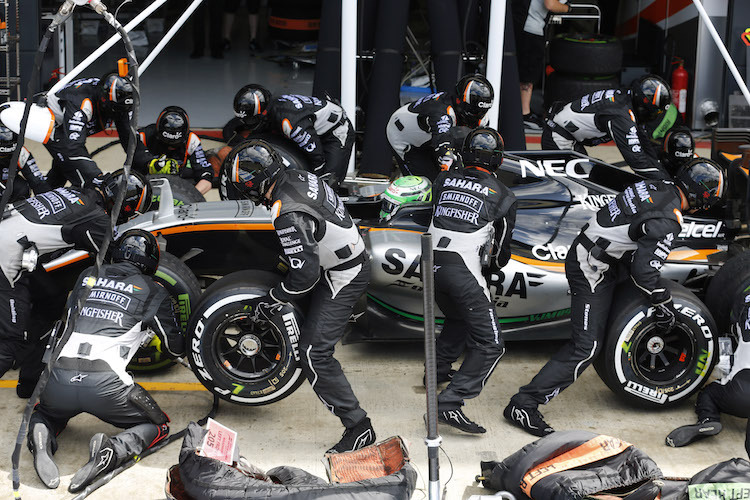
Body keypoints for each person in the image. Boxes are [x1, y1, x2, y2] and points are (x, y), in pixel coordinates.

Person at [504, 158, 725, 436]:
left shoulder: (655, 186)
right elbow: (645, 272)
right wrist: (662, 301)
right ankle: (523, 404)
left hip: (605, 258)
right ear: (702, 198)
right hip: (591, 268)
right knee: (585, 348)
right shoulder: (667, 219)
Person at [225, 139, 375, 453]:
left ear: (254, 185)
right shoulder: (296, 175)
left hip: (342, 274)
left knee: (313, 353)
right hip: (336, 257)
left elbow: (304, 277)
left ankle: (359, 427)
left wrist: (275, 298)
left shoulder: (285, 211)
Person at [27, 229, 184, 492]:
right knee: (158, 426)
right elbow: (174, 347)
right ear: (151, 260)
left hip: (58, 378)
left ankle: (41, 437)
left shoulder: (87, 276)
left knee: (45, 412)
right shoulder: (153, 291)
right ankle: (111, 449)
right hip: (105, 385)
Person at [0, 170, 151, 399]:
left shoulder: (76, 193)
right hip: (6, 258)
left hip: (15, 245)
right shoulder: (96, 218)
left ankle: (30, 382)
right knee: (11, 345)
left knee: (51, 300)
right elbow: (123, 262)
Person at [428, 128, 516, 433]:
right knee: (492, 344)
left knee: (457, 317)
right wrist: (492, 266)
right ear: (498, 160)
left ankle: (436, 371)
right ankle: (449, 404)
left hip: (430, 265)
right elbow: (501, 253)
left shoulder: (441, 181)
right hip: (462, 270)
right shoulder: (504, 196)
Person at [665, 284, 749, 457]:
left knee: (708, 393)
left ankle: (708, 418)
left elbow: (732, 326)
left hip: (742, 394)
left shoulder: (745, 297)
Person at [542, 74, 672, 179]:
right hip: (559, 139)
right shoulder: (620, 116)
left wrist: (661, 170)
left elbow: (643, 142)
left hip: (570, 138)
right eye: (656, 112)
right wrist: (665, 181)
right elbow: (637, 162)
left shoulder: (625, 96)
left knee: (598, 173)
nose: (655, 116)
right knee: (584, 185)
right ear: (644, 106)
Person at [225, 85, 355, 186]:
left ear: (263, 112)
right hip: (311, 126)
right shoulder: (272, 113)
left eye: (251, 120)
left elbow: (316, 156)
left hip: (336, 131)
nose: (248, 125)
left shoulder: (289, 122)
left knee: (327, 180)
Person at [386, 74, 494, 181]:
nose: (477, 115)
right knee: (428, 184)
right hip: (405, 137)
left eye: (481, 111)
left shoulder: (481, 117)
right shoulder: (441, 111)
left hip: (432, 135)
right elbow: (442, 143)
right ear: (459, 101)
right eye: (473, 110)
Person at [44, 72, 135, 188]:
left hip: (67, 123)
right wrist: (98, 179)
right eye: (115, 110)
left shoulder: (119, 100)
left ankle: (44, 194)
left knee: (61, 169)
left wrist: (147, 162)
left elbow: (128, 137)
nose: (118, 114)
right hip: (52, 123)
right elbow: (73, 147)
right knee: (84, 179)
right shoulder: (82, 103)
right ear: (104, 99)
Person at [510, 0, 571, 130]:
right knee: (528, 74)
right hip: (530, 28)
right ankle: (524, 114)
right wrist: (567, 8)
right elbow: (550, 4)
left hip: (524, 25)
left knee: (523, 72)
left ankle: (520, 112)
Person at [134, 106, 214, 195]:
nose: (170, 148)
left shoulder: (192, 140)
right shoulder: (142, 136)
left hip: (177, 183)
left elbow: (206, 175)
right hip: (144, 183)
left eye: (175, 145)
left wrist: (190, 197)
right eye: (165, 144)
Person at [0, 124, 51, 202]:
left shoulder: (21, 153)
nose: (4, 158)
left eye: (7, 155)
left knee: (22, 188)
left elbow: (38, 182)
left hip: (8, 185)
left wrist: (48, 201)